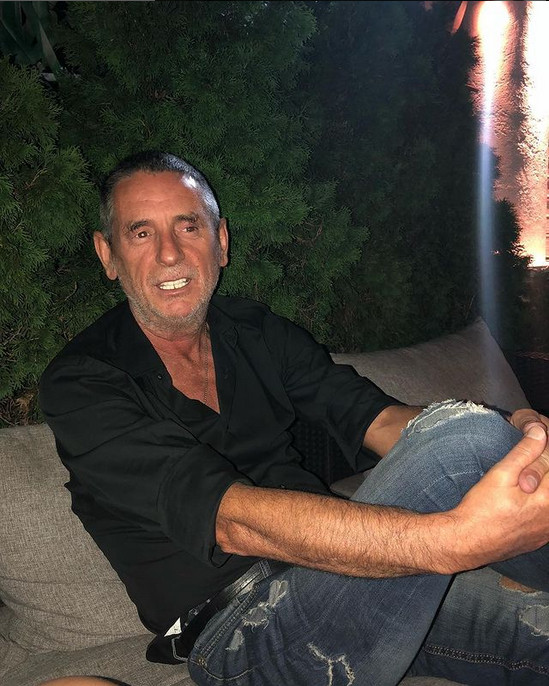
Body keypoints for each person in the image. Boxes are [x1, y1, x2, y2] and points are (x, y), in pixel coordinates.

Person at [40, 151, 549, 686]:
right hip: (243, 634)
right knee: (465, 436)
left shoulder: (257, 331)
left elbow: (378, 421)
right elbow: (229, 519)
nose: (170, 253)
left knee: (476, 444)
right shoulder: (84, 382)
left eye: (188, 226)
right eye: (141, 233)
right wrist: (446, 540)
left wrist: (516, 436)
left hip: (346, 576)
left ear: (221, 242)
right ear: (108, 254)